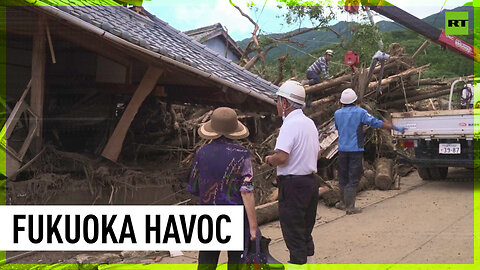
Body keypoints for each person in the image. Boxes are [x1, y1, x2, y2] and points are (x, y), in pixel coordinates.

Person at [188, 107, 258, 270]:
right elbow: (247, 192)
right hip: (236, 219)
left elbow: (194, 187)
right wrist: (253, 227)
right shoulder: (243, 154)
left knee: (206, 263)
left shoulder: (202, 153)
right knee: (237, 263)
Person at [264, 80, 320, 266]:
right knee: (305, 232)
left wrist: (269, 160)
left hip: (293, 185)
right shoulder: (309, 123)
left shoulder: (290, 124)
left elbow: (282, 157)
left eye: (278, 101)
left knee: (293, 235)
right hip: (310, 183)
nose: (277, 105)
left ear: (285, 103)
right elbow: (317, 152)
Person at [334, 88, 406, 215]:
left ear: (342, 102)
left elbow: (340, 129)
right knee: (353, 178)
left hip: (342, 150)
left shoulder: (337, 114)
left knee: (343, 177)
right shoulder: (360, 112)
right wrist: (392, 126)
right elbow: (375, 123)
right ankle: (350, 207)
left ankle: (342, 203)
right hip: (355, 149)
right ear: (355, 100)